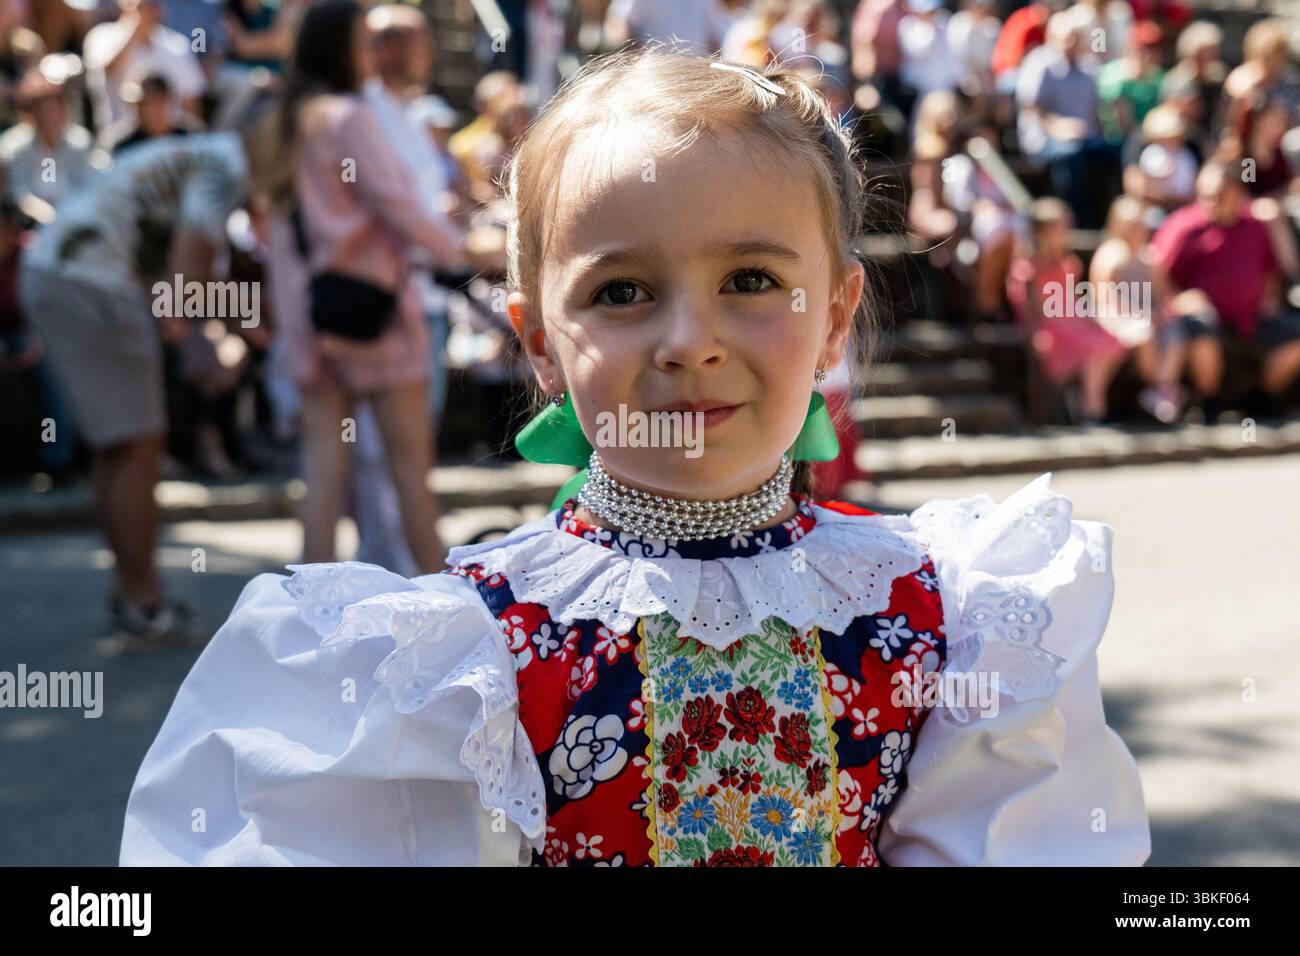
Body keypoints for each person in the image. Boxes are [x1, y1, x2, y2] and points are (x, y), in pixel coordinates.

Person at [119, 49, 1150, 867]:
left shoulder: (950, 613)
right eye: (620, 292)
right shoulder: (460, 656)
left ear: (835, 317)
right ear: (537, 341)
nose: (687, 339)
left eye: (750, 277)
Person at [18, 129, 254, 647]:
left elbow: (173, 288)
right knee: (138, 444)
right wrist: (247, 326)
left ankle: (133, 597)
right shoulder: (229, 168)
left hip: (59, 273)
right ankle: (145, 604)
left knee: (118, 444)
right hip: (92, 283)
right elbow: (185, 286)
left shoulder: (213, 153)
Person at [254, 0, 463, 574]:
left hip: (322, 320)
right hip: (382, 316)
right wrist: (459, 248)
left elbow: (285, 247)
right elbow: (396, 204)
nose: (372, 55)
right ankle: (443, 605)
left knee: (322, 474)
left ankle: (310, 608)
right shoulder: (349, 117)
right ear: (341, 48)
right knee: (411, 475)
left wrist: (299, 338)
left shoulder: (290, 122)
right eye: (362, 41)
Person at [1150, 163, 1300, 422]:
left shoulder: (1254, 225)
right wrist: (1178, 299)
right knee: (1201, 326)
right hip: (1201, 316)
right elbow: (1156, 272)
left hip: (1250, 316)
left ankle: (1262, 397)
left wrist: (1269, 297)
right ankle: (1208, 402)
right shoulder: (1184, 226)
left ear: (1237, 193)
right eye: (1205, 194)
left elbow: (1270, 270)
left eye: (1218, 193)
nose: (1211, 200)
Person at [1006, 197, 1130, 423]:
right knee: (1098, 347)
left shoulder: (1069, 264)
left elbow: (1072, 304)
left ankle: (1088, 403)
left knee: (1113, 340)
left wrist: (1090, 320)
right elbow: (1035, 314)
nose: (1066, 232)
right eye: (1061, 227)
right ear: (1042, 232)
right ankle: (1092, 408)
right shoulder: (1027, 269)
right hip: (1049, 333)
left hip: (1073, 328)